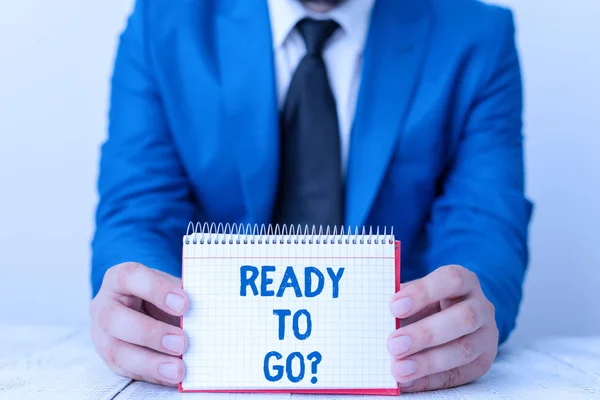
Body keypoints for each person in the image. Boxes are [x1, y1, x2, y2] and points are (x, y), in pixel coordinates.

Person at [89, 0, 533, 392]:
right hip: (214, 351)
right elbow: (138, 213)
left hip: (389, 353)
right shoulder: (162, 23)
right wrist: (142, 305)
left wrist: (468, 312)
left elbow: (485, 222)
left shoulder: (477, 36)